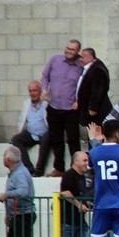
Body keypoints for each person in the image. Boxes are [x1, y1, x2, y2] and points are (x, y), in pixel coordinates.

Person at [34, 151, 90, 237]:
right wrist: (79, 205)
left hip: (80, 222)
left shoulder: (82, 177)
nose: (87, 163)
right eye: (84, 160)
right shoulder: (69, 175)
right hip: (67, 222)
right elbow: (65, 193)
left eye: (87, 160)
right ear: (76, 161)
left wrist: (86, 205)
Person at [41, 39, 82, 177]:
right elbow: (45, 76)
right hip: (53, 107)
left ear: (78, 51)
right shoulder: (55, 60)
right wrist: (44, 90)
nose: (69, 51)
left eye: (72, 49)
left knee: (73, 140)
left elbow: (85, 85)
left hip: (71, 110)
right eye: (68, 48)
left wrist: (79, 100)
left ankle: (75, 169)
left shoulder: (81, 66)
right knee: (56, 139)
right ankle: (59, 168)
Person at [10, 80, 51, 176]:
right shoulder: (26, 103)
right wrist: (20, 131)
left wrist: (48, 100)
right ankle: (29, 169)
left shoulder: (46, 103)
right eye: (30, 91)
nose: (32, 93)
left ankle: (39, 170)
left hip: (45, 134)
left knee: (47, 138)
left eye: (35, 90)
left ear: (40, 91)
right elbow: (21, 120)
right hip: (31, 134)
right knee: (16, 139)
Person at [76, 48, 112, 133]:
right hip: (87, 109)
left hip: (96, 112)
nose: (80, 59)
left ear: (90, 58)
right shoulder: (89, 67)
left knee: (96, 134)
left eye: (82, 57)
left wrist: (93, 108)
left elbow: (97, 91)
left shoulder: (97, 70)